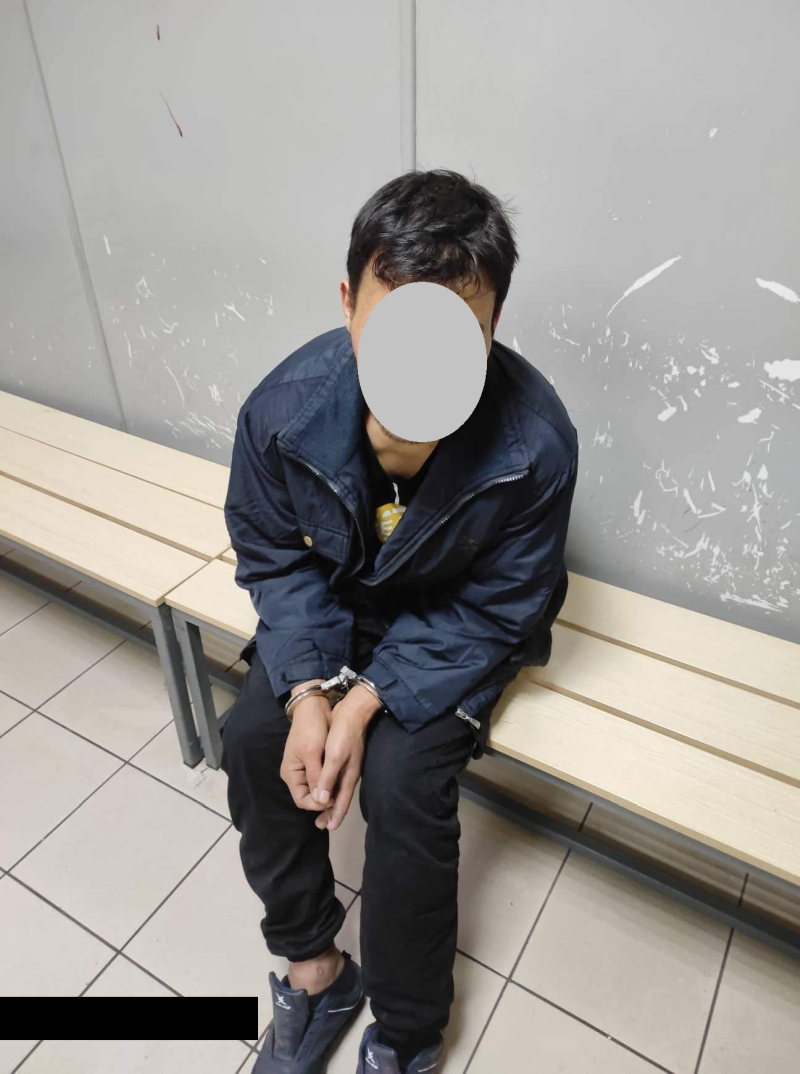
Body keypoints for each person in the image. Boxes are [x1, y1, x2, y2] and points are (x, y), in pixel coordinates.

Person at [222, 168, 579, 1074]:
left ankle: (407, 1033)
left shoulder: (535, 444)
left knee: (403, 784)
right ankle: (315, 974)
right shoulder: (283, 412)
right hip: (340, 604)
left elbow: (503, 604)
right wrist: (309, 690)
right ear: (348, 304)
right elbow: (276, 556)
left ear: (494, 326)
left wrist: (370, 699)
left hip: (457, 623)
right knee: (256, 738)